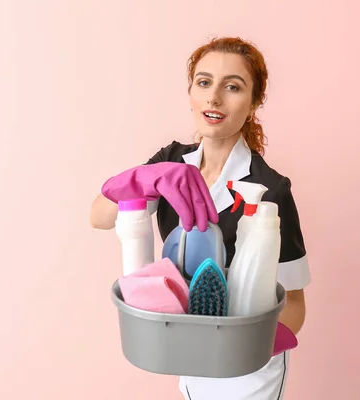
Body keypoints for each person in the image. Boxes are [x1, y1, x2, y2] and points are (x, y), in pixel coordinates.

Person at [90, 36, 311, 400]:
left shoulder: (270, 189)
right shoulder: (169, 162)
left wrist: (245, 345)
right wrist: (139, 179)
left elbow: (295, 302)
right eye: (204, 82)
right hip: (184, 351)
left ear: (254, 102)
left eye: (233, 87)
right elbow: (99, 217)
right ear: (191, 92)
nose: (214, 98)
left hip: (246, 368)